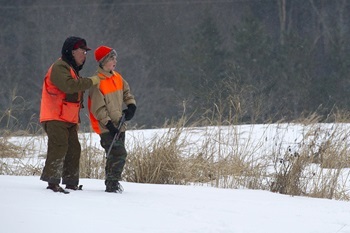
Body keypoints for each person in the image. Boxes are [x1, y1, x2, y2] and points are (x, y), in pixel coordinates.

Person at [40, 36, 101, 193]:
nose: (84, 55)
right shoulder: (60, 67)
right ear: (72, 52)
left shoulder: (71, 69)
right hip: (55, 116)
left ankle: (71, 182)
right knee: (59, 146)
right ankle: (52, 182)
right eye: (82, 51)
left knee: (74, 148)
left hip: (68, 118)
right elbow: (68, 86)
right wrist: (92, 81)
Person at [88, 45, 136, 193]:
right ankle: (113, 184)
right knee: (119, 153)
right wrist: (109, 124)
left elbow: (127, 93)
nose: (115, 60)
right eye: (111, 58)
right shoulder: (97, 82)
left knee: (113, 156)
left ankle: (111, 185)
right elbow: (98, 109)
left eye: (114, 57)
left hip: (119, 124)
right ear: (103, 62)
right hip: (106, 127)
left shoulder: (117, 77)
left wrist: (131, 106)